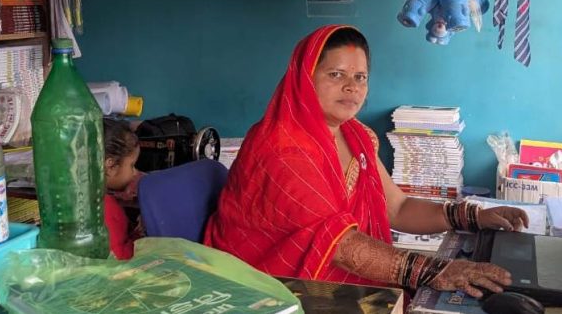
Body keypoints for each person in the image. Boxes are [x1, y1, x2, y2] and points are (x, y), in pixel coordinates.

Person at [204, 25, 529, 297]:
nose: (351, 86)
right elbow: (341, 248)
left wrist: (473, 218)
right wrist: (436, 271)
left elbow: (397, 208)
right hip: (269, 286)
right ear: (305, 77)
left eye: (360, 76)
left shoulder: (355, 135)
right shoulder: (282, 149)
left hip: (333, 272)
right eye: (336, 74)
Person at [103, 118, 142, 260]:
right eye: (132, 165)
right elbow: (117, 258)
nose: (135, 172)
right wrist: (141, 237)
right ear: (110, 165)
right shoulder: (105, 208)